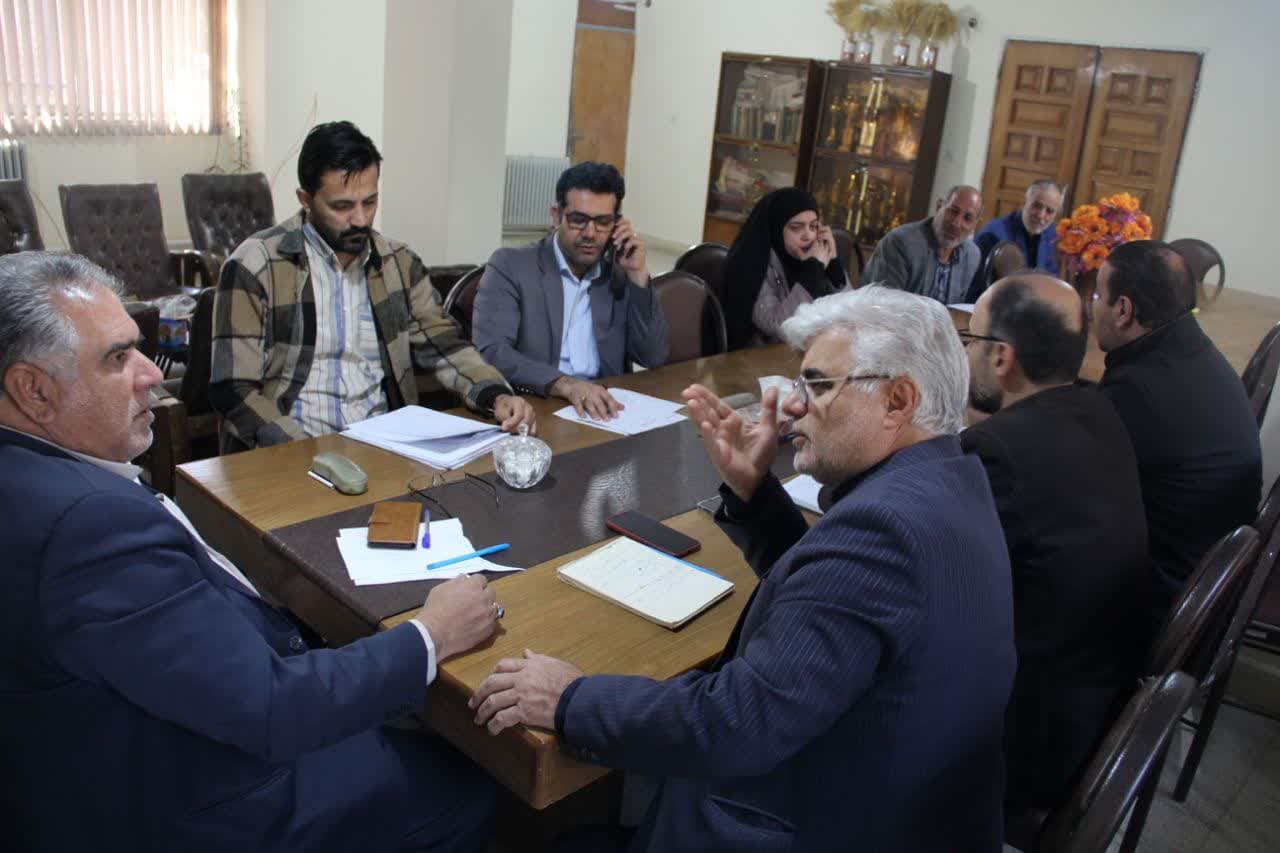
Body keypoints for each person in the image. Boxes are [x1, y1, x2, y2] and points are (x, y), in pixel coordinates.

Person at [469, 286, 1016, 852]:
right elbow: (836, 608)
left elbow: (734, 724)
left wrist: (569, 699)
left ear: (898, 401)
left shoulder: (881, 533)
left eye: (819, 385)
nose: (796, 405)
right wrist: (755, 491)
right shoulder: (951, 480)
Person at [0, 251, 501, 852]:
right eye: (117, 357)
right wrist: (433, 634)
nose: (152, 374)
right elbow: (274, 709)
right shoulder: (89, 526)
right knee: (473, 777)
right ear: (33, 390)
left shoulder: (38, 478)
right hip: (194, 802)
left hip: (99, 753)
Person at [210, 120, 534, 452]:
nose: (361, 219)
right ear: (305, 199)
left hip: (383, 447)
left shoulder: (398, 263)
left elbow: (443, 344)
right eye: (342, 206)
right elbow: (233, 388)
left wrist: (496, 394)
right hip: (290, 451)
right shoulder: (257, 265)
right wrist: (300, 452)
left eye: (369, 202)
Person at [961, 273, 1151, 815]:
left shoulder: (996, 452)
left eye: (971, 340)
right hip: (1095, 703)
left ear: (1002, 357)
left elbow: (931, 572)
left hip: (1023, 738)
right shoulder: (1098, 410)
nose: (966, 354)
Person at [1093, 240, 1262, 616]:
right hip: (1206, 578)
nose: (1092, 306)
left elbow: (1079, 490)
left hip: (1160, 594)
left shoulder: (1138, 389)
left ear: (1123, 310)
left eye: (1098, 295)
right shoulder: (1194, 351)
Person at [471, 161, 668, 421]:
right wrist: (565, 385)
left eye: (603, 222)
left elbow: (653, 356)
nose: (590, 233)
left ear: (617, 224)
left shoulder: (618, 274)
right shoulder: (511, 265)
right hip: (537, 407)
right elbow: (492, 352)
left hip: (606, 411)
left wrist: (637, 274)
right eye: (578, 220)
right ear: (556, 216)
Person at [721, 187, 848, 350]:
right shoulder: (750, 263)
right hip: (755, 358)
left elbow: (849, 318)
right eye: (796, 227)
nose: (808, 235)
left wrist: (834, 268)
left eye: (813, 226)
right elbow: (779, 326)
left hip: (802, 353)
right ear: (776, 229)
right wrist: (812, 272)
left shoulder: (814, 257)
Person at [860, 184, 982, 304]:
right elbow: (883, 305)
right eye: (953, 211)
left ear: (975, 224)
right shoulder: (900, 243)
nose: (956, 223)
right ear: (939, 206)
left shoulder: (972, 256)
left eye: (967, 218)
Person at [970, 179, 1063, 296]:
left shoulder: (1051, 234)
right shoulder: (992, 235)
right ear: (1024, 202)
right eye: (1037, 206)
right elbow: (977, 288)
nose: (1041, 215)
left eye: (1049, 211)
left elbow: (1051, 277)